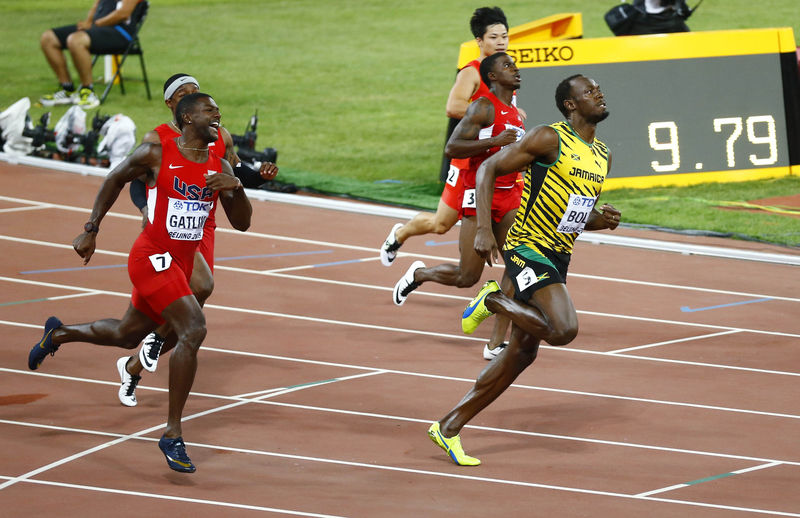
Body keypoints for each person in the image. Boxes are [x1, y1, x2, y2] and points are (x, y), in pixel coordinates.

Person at [27, 92, 253, 473]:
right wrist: (90, 230)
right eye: (209, 111)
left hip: (180, 262)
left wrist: (235, 186)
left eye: (218, 112)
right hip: (150, 257)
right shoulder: (157, 152)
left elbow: (243, 222)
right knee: (193, 328)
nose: (218, 117)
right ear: (186, 119)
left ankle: (58, 334)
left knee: (127, 335)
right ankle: (172, 433)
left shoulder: (219, 164)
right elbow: (115, 178)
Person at [427, 74, 622, 466]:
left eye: (600, 89)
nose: (599, 95)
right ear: (570, 105)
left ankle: (447, 427)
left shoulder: (602, 155)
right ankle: (494, 299)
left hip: (559, 254)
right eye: (589, 92)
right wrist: (483, 229)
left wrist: (603, 220)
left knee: (520, 354)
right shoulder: (548, 138)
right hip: (528, 247)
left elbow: (574, 217)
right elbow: (488, 171)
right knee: (564, 329)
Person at [114, 73, 278, 408]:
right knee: (198, 292)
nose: (195, 99)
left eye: (197, 93)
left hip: (203, 226)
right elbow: (134, 180)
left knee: (192, 313)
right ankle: (151, 342)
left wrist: (257, 177)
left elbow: (234, 171)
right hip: (168, 229)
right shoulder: (156, 139)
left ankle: (135, 363)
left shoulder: (219, 136)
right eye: (186, 95)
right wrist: (145, 207)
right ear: (173, 104)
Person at [392, 52, 524, 361]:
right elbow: (452, 147)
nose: (515, 69)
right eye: (507, 66)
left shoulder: (517, 114)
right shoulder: (483, 107)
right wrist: (494, 142)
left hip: (508, 196)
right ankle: (420, 274)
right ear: (492, 76)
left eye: (515, 65)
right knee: (467, 277)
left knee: (518, 266)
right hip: (478, 195)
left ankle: (494, 344)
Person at [379, 7, 515, 268]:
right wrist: (494, 114)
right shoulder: (471, 73)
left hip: (495, 163)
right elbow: (453, 106)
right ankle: (399, 234)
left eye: (504, 37)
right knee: (441, 224)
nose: (500, 42)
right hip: (467, 163)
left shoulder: (507, 71)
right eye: (494, 37)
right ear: (479, 41)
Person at [39, 0, 142, 108]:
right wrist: (88, 22)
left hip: (120, 33)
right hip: (97, 28)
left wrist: (96, 24)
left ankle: (88, 91)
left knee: (75, 40)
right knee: (48, 38)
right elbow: (97, 5)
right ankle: (67, 89)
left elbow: (123, 14)